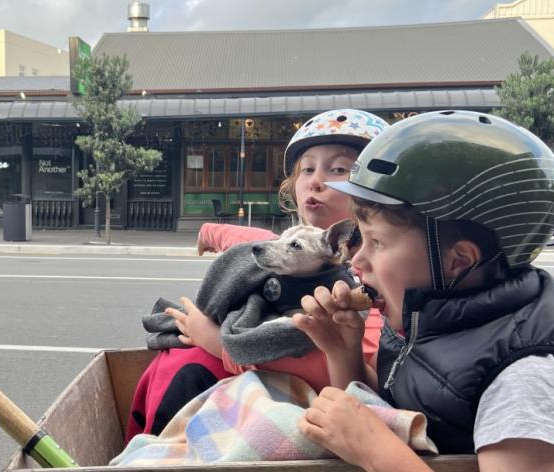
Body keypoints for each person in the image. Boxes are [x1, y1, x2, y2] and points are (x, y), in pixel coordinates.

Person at [293, 110, 554, 471]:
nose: (357, 261)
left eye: (377, 241)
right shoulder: (434, 312)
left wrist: (374, 451)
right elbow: (397, 408)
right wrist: (344, 355)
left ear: (459, 260)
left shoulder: (532, 378)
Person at [126, 109, 389, 440]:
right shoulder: (291, 247)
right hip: (254, 384)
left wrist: (217, 342)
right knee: (178, 356)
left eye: (338, 170)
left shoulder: (374, 283)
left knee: (189, 360)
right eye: (307, 169)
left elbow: (351, 368)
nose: (316, 180)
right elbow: (255, 242)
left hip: (300, 405)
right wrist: (209, 232)